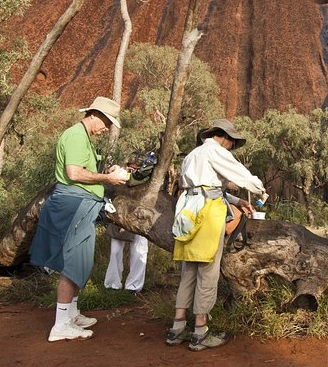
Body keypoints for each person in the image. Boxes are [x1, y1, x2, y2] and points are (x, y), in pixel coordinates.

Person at [29, 97, 128, 342]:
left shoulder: (83, 137)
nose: (107, 127)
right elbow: (74, 173)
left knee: (81, 261)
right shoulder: (75, 136)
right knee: (72, 262)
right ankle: (61, 325)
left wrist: (107, 173)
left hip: (82, 206)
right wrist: (108, 179)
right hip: (72, 206)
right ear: (94, 115)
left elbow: (83, 170)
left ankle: (71, 314)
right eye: (106, 121)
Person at [166, 119, 265, 351]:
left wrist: (236, 200)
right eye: (232, 143)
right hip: (207, 215)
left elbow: (203, 187)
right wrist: (259, 189)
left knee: (188, 270)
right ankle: (200, 332)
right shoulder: (215, 151)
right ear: (224, 137)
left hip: (188, 213)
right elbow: (242, 175)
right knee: (208, 271)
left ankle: (177, 328)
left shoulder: (193, 155)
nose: (231, 147)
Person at [103, 224, 148, 294]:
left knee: (139, 252)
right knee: (115, 251)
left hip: (142, 217)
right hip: (120, 215)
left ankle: (133, 286)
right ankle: (113, 284)